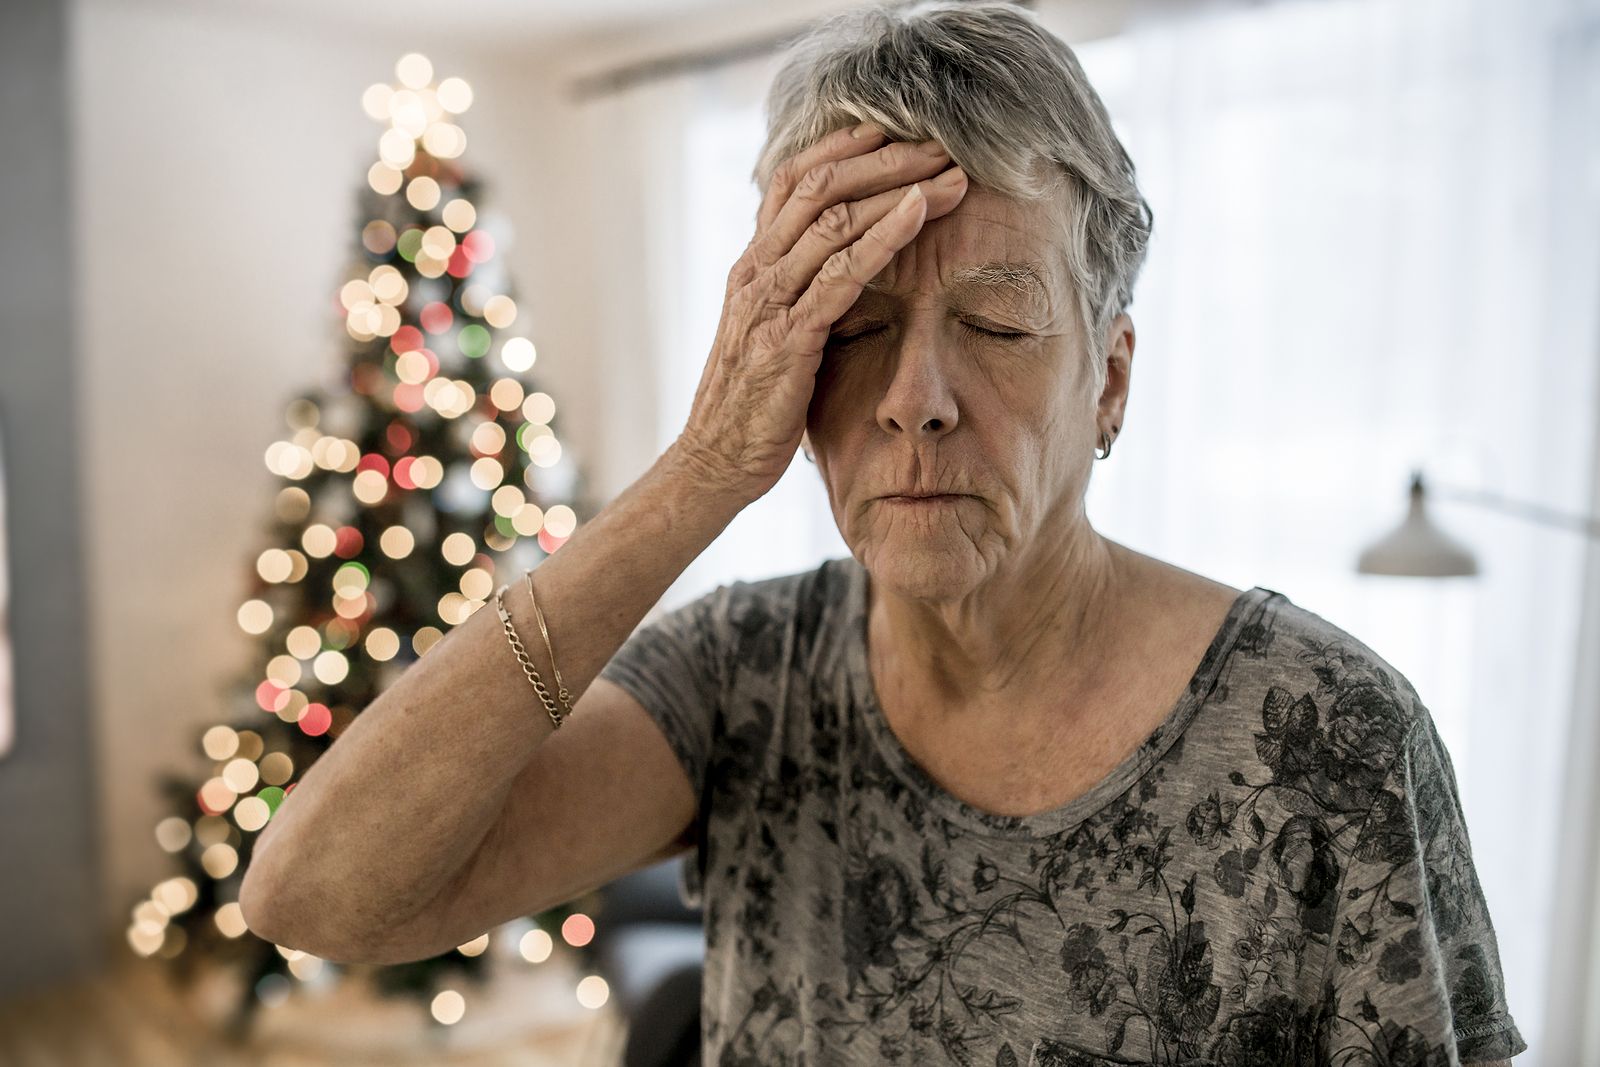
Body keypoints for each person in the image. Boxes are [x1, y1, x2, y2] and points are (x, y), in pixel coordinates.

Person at [239, 1, 1526, 1064]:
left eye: (1001, 322)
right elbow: (316, 894)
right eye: (847, 329)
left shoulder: (1335, 737)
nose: (914, 399)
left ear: (1111, 382)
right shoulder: (744, 673)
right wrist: (697, 476)